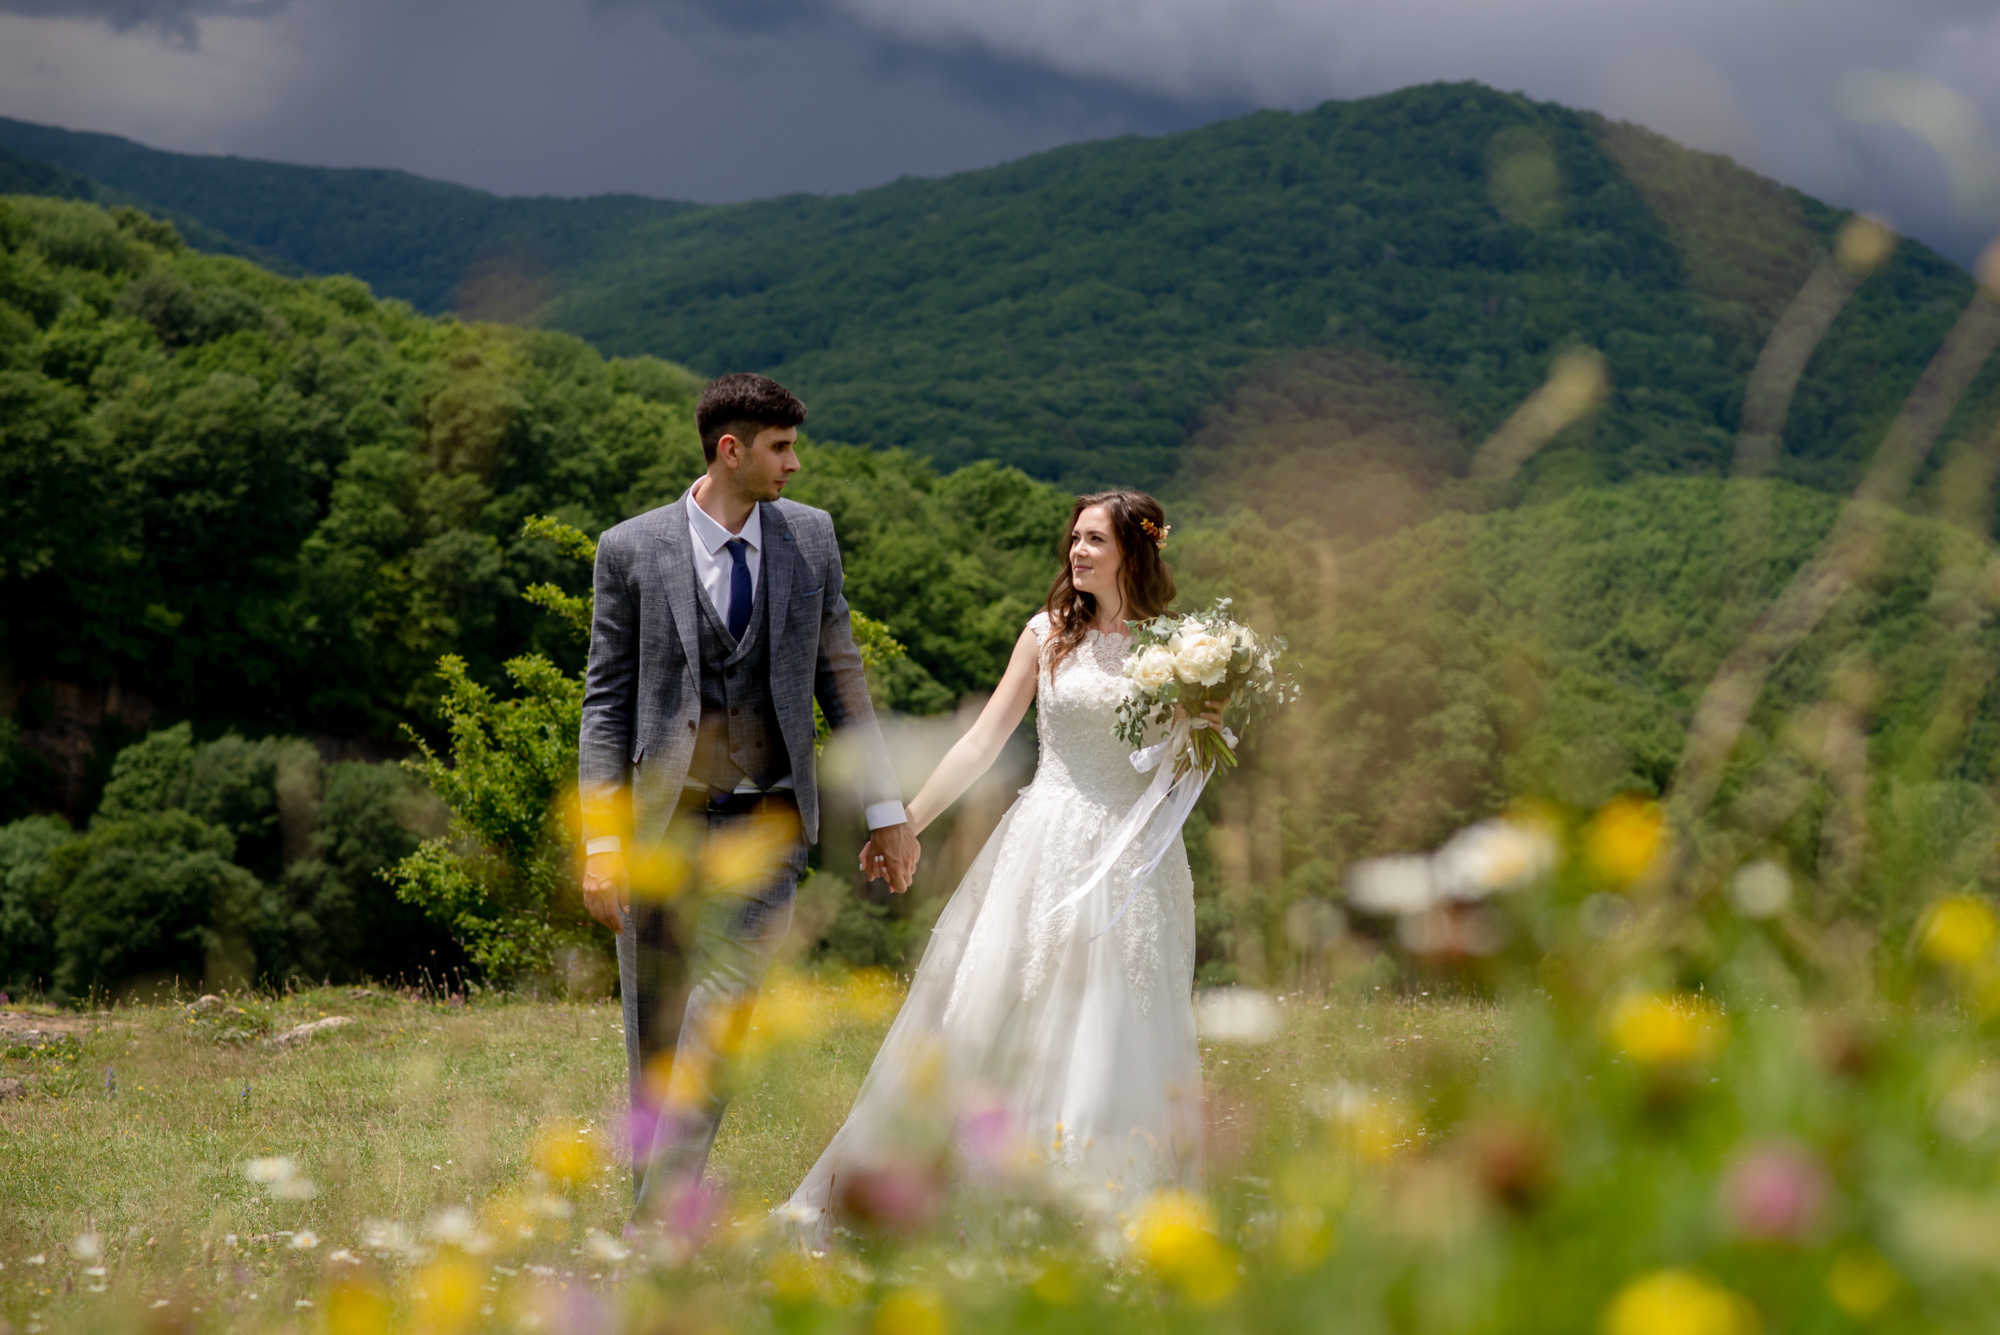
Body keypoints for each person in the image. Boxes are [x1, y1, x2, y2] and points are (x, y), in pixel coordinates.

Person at [786, 490, 1211, 1241]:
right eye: (1074, 538)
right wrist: (906, 820)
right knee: (991, 1004)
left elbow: (1178, 765)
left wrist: (1206, 727)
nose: (1077, 552)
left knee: (1119, 1017)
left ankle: (1103, 1198)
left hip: (1138, 856)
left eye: (1094, 541)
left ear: (1134, 552)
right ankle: (942, 1181)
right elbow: (981, 743)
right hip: (1043, 843)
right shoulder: (1047, 635)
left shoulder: (1175, 649)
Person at [577, 372, 918, 1220]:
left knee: (718, 1026)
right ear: (730, 450)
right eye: (780, 447)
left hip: (766, 826)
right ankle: (657, 1244)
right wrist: (601, 844)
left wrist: (886, 811)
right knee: (655, 1045)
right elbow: (606, 705)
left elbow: (843, 682)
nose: (794, 464)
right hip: (659, 833)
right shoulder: (629, 549)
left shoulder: (812, 538)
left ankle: (654, 1232)